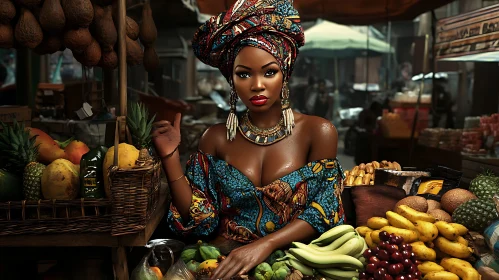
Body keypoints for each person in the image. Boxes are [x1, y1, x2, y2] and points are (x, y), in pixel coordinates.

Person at [151, 0, 345, 278]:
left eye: (269, 72)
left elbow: (324, 210)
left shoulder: (318, 132)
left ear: (285, 74)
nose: (257, 85)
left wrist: (264, 245)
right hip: (222, 265)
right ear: (231, 79)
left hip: (291, 268)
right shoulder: (215, 137)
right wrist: (170, 157)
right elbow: (201, 221)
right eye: (243, 74)